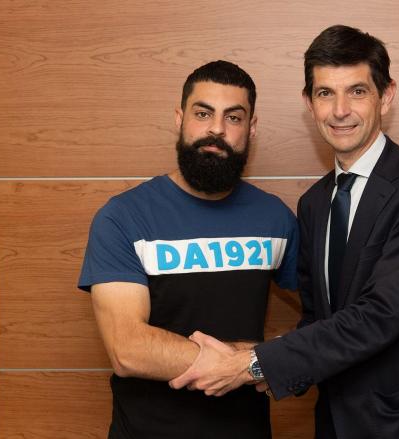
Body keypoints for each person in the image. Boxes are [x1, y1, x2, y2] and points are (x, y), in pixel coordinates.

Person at [169, 26, 399, 439]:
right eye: (326, 93)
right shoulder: (313, 204)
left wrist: (252, 364)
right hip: (338, 423)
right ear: (309, 103)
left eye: (357, 91)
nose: (340, 110)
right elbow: (321, 320)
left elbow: (380, 316)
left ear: (387, 94)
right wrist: (252, 355)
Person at [77, 60, 298, 439]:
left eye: (234, 117)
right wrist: (248, 362)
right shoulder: (124, 217)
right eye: (203, 113)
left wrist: (258, 361)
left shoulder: (275, 218)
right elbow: (127, 348)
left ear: (252, 128)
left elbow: (330, 321)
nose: (216, 129)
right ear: (179, 118)